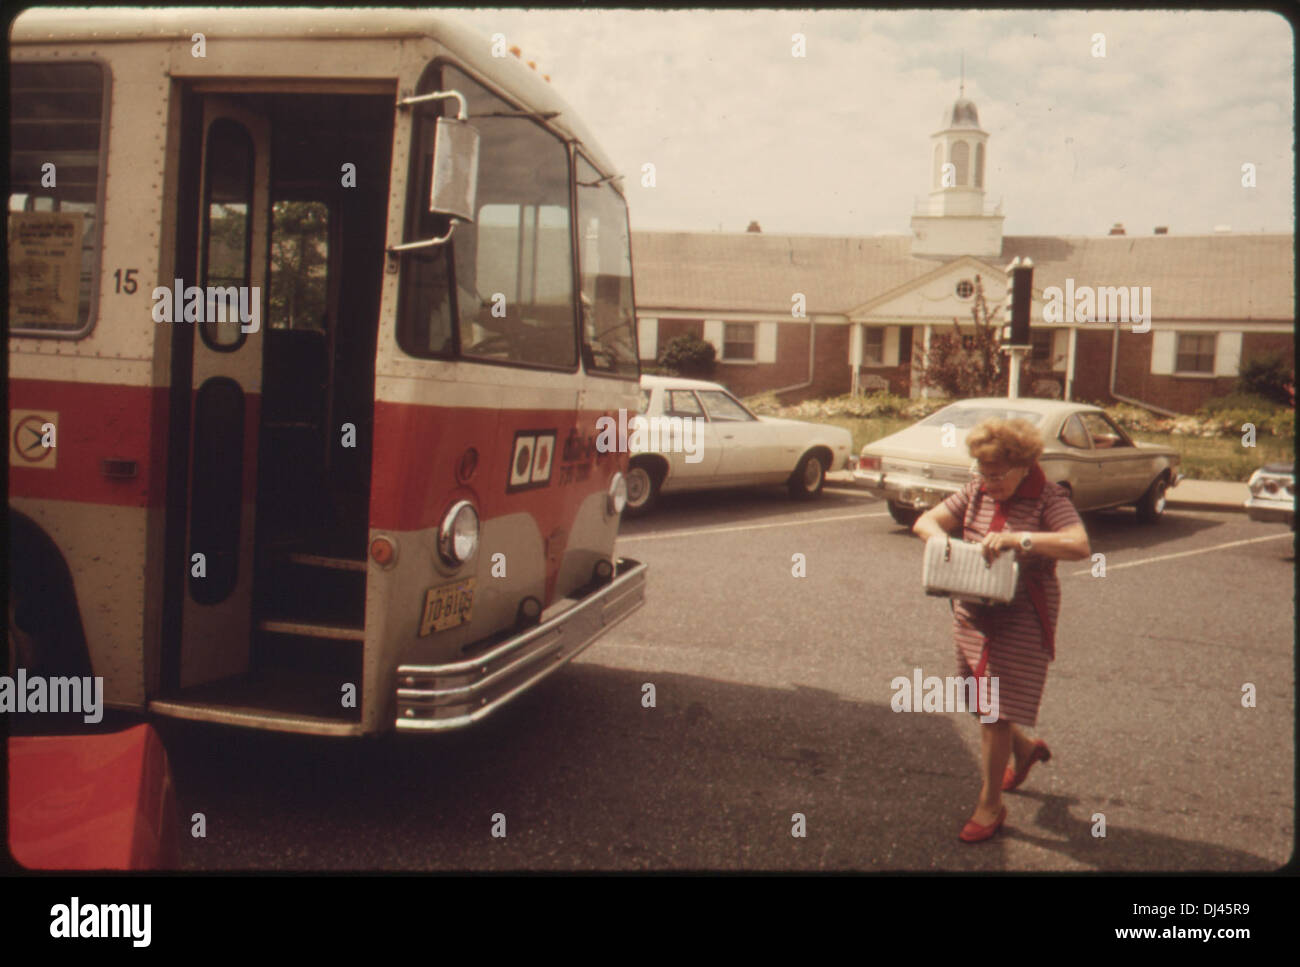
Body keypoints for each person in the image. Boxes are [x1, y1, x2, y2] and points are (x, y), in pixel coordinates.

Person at [912, 417, 1090, 843]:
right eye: (983, 472)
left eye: (997, 474)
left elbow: (1079, 544)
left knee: (993, 708)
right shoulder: (976, 491)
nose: (988, 482)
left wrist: (1019, 540)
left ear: (1024, 467)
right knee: (979, 699)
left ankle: (990, 805)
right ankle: (1025, 749)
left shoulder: (1050, 496)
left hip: (1023, 613)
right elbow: (925, 522)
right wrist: (951, 546)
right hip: (973, 606)